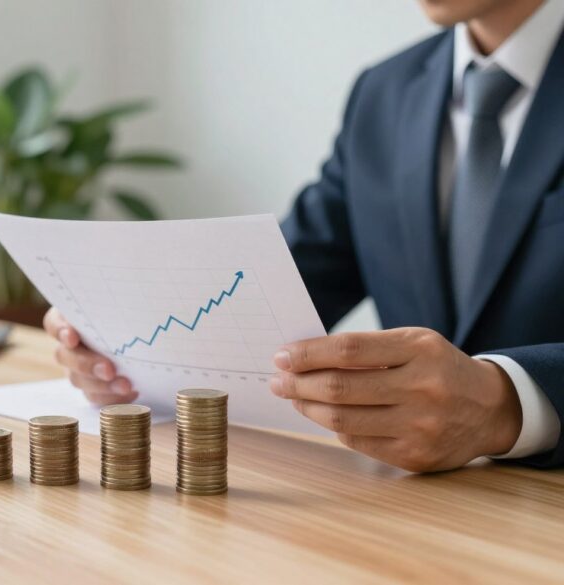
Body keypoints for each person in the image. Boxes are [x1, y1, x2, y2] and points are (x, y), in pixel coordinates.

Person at [43, 0, 564, 472]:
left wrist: (504, 403)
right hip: (411, 513)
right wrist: (119, 339)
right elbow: (288, 275)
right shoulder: (385, 92)